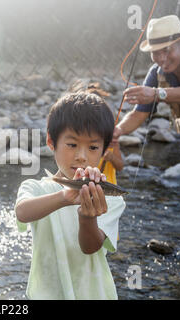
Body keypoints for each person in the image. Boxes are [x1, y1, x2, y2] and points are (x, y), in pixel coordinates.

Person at [113, 15, 180, 271]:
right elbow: (139, 113)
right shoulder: (157, 74)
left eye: (166, 51)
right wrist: (116, 132)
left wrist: (157, 93)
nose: (161, 58)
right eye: (155, 53)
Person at [15, 89, 126, 299]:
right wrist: (65, 197)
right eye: (72, 144)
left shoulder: (110, 197)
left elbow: (90, 247)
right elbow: (22, 212)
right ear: (51, 142)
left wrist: (87, 218)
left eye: (93, 147)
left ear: (104, 151)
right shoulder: (36, 187)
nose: (82, 156)